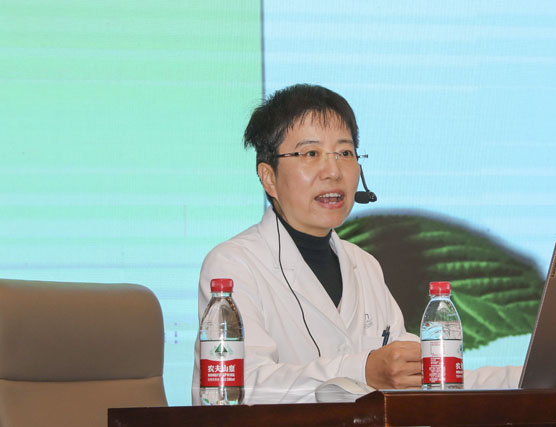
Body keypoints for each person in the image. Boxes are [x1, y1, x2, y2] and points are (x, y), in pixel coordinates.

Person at [191, 84, 520, 404]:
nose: (333, 171)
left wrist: (525, 379)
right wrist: (364, 370)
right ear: (269, 177)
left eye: (345, 153)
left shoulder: (364, 264)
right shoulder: (233, 265)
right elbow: (237, 390)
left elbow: (422, 377)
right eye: (311, 153)